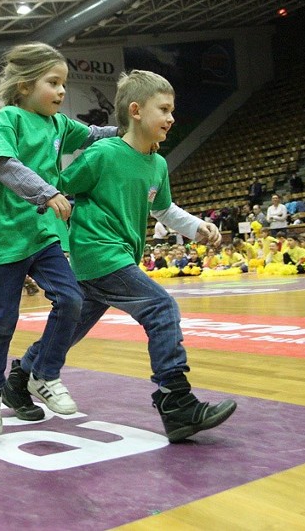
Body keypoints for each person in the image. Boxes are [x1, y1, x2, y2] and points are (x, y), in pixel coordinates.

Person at [12, 69, 236, 443]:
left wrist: (197, 226)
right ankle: (175, 401)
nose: (171, 117)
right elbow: (58, 193)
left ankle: (18, 380)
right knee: (160, 308)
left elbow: (164, 210)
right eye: (163, 109)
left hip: (114, 259)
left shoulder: (158, 164)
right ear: (135, 111)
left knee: (68, 332)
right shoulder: (103, 153)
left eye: (172, 110)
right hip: (98, 254)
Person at [0, 42, 120, 437]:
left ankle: (44, 374)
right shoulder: (7, 119)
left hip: (44, 234)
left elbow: (93, 134)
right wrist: (47, 193)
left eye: (63, 84)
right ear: (24, 86)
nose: (61, 92)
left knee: (71, 299)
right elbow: (5, 165)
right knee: (3, 320)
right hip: (5, 235)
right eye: (52, 83)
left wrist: (132, 129)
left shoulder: (58, 125)